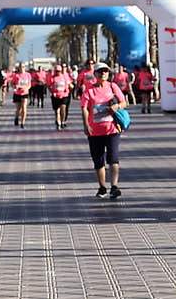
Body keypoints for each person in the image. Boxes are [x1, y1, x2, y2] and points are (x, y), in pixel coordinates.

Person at [82, 62, 127, 201]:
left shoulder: (113, 86)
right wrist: (86, 125)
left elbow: (124, 102)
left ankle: (114, 187)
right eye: (100, 72)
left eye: (106, 71)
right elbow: (84, 108)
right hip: (95, 131)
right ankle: (102, 187)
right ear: (95, 74)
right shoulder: (89, 90)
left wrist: (117, 106)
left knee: (113, 158)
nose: (103, 74)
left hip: (112, 129)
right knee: (98, 160)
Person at [48, 64, 74, 130]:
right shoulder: (52, 78)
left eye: (59, 71)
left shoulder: (65, 77)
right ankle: (58, 122)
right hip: (55, 96)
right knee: (57, 111)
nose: (58, 72)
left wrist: (68, 91)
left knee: (63, 109)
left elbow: (69, 85)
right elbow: (49, 86)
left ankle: (62, 121)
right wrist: (52, 92)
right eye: (56, 71)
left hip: (64, 95)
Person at [9, 63, 32, 128]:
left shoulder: (28, 75)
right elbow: (12, 84)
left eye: (23, 67)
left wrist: (26, 88)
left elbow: (29, 84)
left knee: (24, 108)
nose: (22, 68)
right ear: (19, 68)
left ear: (25, 67)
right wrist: (15, 86)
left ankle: (22, 123)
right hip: (17, 93)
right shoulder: (16, 75)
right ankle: (16, 118)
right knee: (18, 109)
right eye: (21, 67)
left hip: (25, 93)